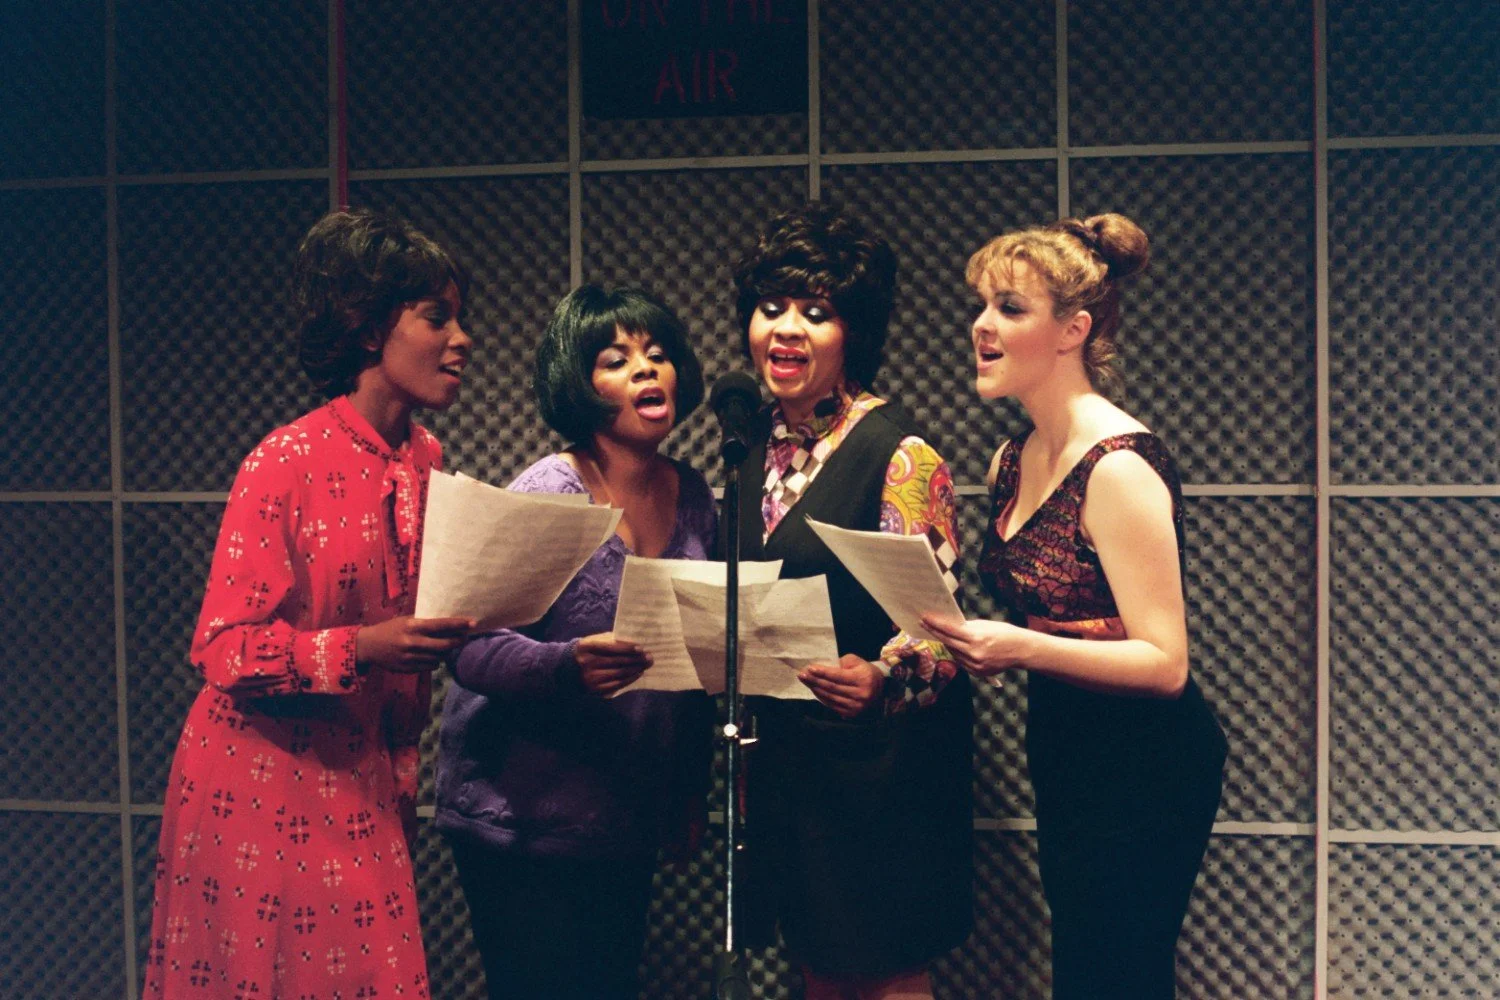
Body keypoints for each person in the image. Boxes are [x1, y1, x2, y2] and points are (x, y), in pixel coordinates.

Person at [143, 208, 477, 999]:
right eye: (438, 317)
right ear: (370, 332)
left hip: (360, 775)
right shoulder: (284, 461)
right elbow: (222, 647)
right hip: (258, 783)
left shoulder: (426, 455)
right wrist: (361, 648)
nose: (462, 339)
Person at [922, 214, 1228, 999]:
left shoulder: (1119, 467)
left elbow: (1166, 664)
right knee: (1084, 970)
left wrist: (1018, 648)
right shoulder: (1011, 458)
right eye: (982, 306)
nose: (981, 326)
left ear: (1074, 330)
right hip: (1064, 743)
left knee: (1119, 973)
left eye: (1010, 308)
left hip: (1148, 761)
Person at [434, 285, 715, 1000]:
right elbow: (468, 644)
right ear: (578, 385)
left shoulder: (695, 496)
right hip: (520, 817)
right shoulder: (550, 489)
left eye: (657, 355)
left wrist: (689, 789)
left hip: (625, 812)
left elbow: (699, 657)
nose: (646, 371)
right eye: (616, 360)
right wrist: (567, 668)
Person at [728, 202, 973, 1000]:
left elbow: (940, 634)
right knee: (818, 976)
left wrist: (882, 677)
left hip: (883, 776)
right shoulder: (747, 450)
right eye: (771, 308)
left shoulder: (899, 455)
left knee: (885, 976)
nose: (786, 330)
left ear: (854, 332)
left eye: (815, 311)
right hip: (790, 770)